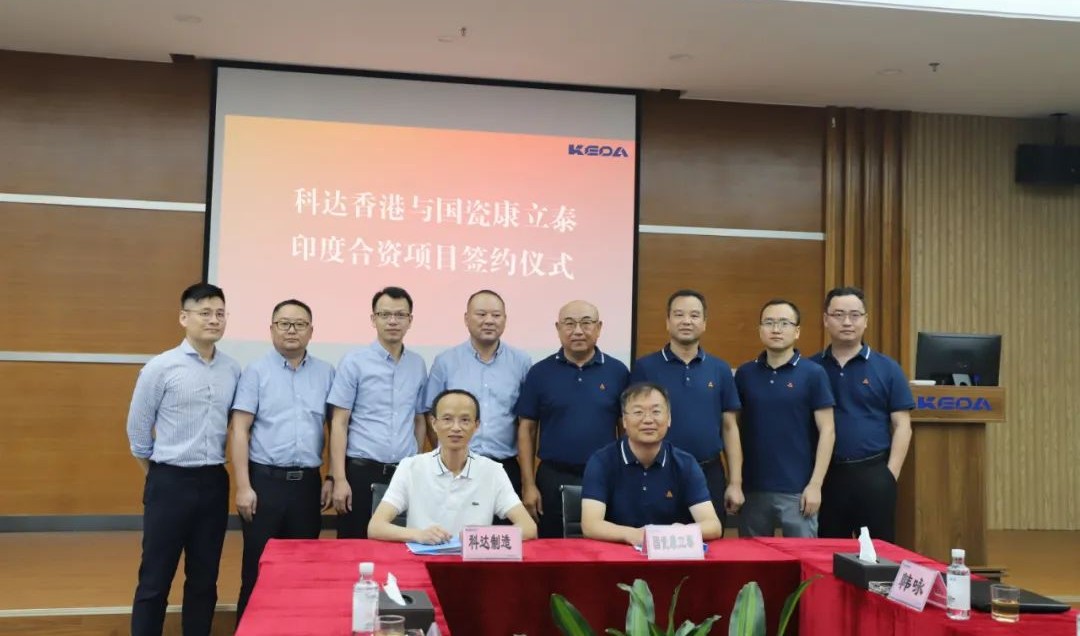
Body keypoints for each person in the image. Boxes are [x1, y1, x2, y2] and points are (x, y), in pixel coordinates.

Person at [126, 283, 241, 636]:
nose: (214, 320)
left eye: (220, 313)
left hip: (214, 481)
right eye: (205, 313)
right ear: (183, 317)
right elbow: (138, 433)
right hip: (169, 481)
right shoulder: (161, 367)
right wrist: (159, 474)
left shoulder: (232, 369)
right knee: (155, 577)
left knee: (204, 578)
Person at [229, 299, 335, 621]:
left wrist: (331, 476)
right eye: (284, 323)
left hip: (307, 485)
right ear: (271, 329)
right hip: (265, 485)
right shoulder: (255, 372)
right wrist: (243, 486)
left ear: (311, 331)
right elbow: (239, 429)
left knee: (302, 570)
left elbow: (336, 428)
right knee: (257, 569)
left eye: (300, 324)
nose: (292, 330)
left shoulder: (326, 373)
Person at [516, 300, 630, 538]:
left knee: (603, 546)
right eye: (569, 324)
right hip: (552, 476)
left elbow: (626, 429)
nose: (578, 331)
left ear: (599, 328)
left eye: (586, 323)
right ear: (558, 328)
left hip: (604, 475)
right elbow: (527, 430)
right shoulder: (540, 373)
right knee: (552, 547)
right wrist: (528, 485)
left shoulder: (618, 372)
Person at [629, 289, 744, 525]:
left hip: (708, 472)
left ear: (704, 323)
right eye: (679, 314)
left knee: (710, 540)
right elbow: (633, 424)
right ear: (668, 321)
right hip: (658, 472)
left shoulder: (720, 369)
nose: (686, 321)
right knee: (656, 541)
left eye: (694, 315)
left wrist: (735, 483)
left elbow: (729, 427)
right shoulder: (645, 367)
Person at [811, 286, 915, 542]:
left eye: (855, 315)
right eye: (838, 315)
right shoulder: (810, 368)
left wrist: (890, 474)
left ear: (866, 320)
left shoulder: (887, 368)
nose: (847, 322)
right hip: (826, 476)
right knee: (828, 551)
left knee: (878, 554)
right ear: (825, 319)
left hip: (874, 473)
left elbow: (902, 425)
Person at [368, 389, 537, 542]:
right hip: (423, 560)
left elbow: (529, 528)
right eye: (447, 419)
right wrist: (418, 535)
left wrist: (478, 538)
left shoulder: (492, 471)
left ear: (476, 425)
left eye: (465, 420)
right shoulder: (410, 467)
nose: (456, 428)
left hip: (472, 562)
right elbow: (376, 527)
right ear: (434, 423)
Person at [328, 286, 428, 538]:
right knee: (355, 546)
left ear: (410, 320)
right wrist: (339, 479)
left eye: (400, 315)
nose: (393, 321)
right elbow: (339, 423)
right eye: (385, 315)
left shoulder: (417, 364)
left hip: (403, 474)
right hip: (361, 473)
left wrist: (416, 466)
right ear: (373, 319)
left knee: (401, 545)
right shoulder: (354, 362)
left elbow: (419, 419)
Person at [734, 299, 835, 538]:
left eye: (784, 323)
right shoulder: (745, 374)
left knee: (802, 559)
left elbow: (828, 430)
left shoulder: (813, 373)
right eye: (769, 323)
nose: (776, 329)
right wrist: (735, 481)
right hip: (753, 489)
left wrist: (816, 485)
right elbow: (733, 429)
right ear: (760, 329)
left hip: (798, 490)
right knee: (753, 558)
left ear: (797, 331)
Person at [581, 382, 724, 544]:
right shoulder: (601, 462)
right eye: (638, 412)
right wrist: (633, 535)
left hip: (669, 554)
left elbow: (713, 526)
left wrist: (679, 532)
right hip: (616, 553)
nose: (648, 420)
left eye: (656, 411)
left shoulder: (686, 464)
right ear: (624, 421)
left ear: (669, 418)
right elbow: (590, 525)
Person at [422, 290, 531, 497]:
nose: (489, 321)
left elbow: (526, 421)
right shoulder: (446, 361)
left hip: (504, 468)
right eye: (481, 314)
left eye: (496, 315)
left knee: (504, 520)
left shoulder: (521, 362)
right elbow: (430, 415)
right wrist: (447, 454)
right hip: (455, 467)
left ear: (505, 320)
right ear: (466, 318)